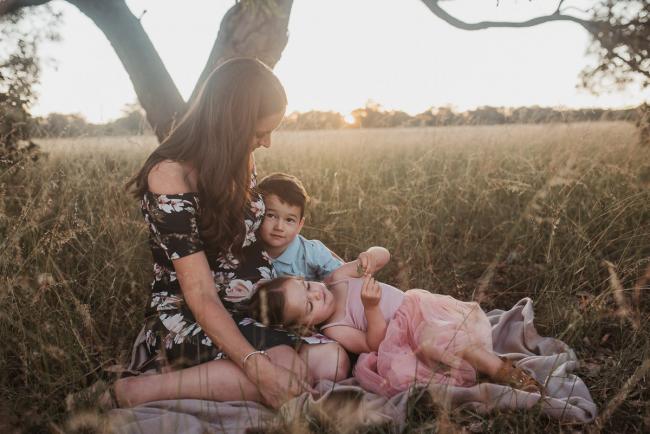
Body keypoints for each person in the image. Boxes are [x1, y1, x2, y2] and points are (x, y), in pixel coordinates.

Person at [90, 58, 349, 410]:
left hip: (258, 303)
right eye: (260, 133)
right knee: (263, 375)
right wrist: (255, 365)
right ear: (231, 123)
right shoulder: (170, 177)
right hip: (196, 312)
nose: (267, 143)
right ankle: (133, 392)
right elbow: (199, 293)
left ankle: (248, 377)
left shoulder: (238, 156)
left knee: (312, 369)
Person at [241, 246, 544, 397]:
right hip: (397, 341)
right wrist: (371, 308)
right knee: (423, 353)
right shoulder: (335, 328)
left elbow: (384, 255)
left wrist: (371, 256)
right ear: (306, 327)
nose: (316, 295)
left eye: (307, 286)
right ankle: (480, 369)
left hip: (417, 310)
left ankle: (497, 367)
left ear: (305, 278)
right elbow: (374, 343)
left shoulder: (336, 278)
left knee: (439, 334)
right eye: (308, 306)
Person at [257, 172, 342, 280]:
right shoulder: (248, 248)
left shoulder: (312, 252)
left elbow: (343, 277)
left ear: (299, 225)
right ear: (257, 213)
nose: (279, 227)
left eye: (289, 220)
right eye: (271, 216)